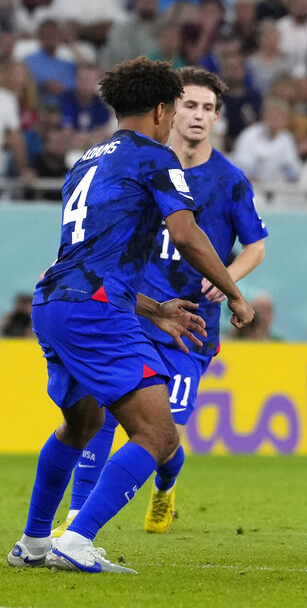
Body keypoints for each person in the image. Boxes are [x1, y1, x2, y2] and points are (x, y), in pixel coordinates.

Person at [7, 57, 254, 574]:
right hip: (96, 315)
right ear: (163, 110)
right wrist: (234, 292)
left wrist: (155, 307)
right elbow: (186, 234)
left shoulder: (85, 162)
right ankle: (75, 540)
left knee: (82, 424)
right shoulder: (155, 158)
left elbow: (87, 258)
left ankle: (33, 542)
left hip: (55, 302)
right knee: (159, 436)